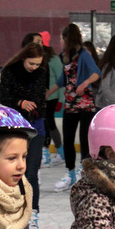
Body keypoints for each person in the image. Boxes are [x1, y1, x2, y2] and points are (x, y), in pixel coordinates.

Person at [0, 42, 50, 229]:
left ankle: (33, 213)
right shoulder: (10, 72)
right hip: (14, 126)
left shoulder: (41, 74)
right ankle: (12, 211)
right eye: (31, 63)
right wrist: (21, 102)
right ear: (23, 58)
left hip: (35, 126)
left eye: (37, 64)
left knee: (31, 173)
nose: (34, 67)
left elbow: (41, 100)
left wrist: (38, 112)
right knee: (12, 172)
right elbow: (4, 97)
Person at [46, 23, 101, 192]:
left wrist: (85, 83)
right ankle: (70, 173)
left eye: (62, 38)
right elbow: (63, 78)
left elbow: (96, 72)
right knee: (68, 139)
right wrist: (49, 93)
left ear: (68, 38)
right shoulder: (65, 56)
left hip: (85, 104)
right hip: (70, 104)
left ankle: (83, 171)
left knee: (85, 140)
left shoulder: (84, 54)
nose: (60, 41)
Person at [40, 31, 66, 168]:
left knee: (48, 123)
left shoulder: (53, 59)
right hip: (42, 97)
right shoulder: (38, 58)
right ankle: (59, 151)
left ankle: (53, 152)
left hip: (51, 97)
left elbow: (62, 79)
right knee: (46, 123)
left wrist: (61, 99)